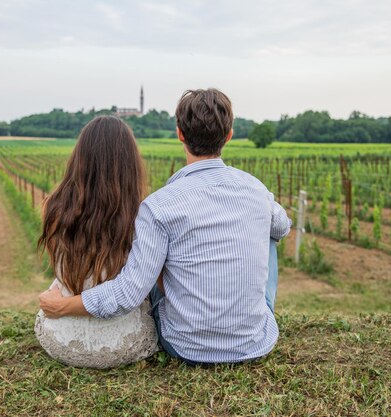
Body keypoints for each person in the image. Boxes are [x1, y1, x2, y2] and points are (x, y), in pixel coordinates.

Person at [39, 89, 291, 365]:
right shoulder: (254, 188)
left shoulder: (160, 206)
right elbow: (282, 228)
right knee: (270, 233)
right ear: (229, 136)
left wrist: (64, 306)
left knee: (161, 251)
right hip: (255, 343)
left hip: (185, 346)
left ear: (180, 134)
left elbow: (129, 292)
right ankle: (243, 322)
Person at [34, 115, 158, 369]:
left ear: (79, 158)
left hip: (62, 340)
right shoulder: (143, 214)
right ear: (130, 164)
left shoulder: (52, 208)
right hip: (125, 343)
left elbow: (65, 272)